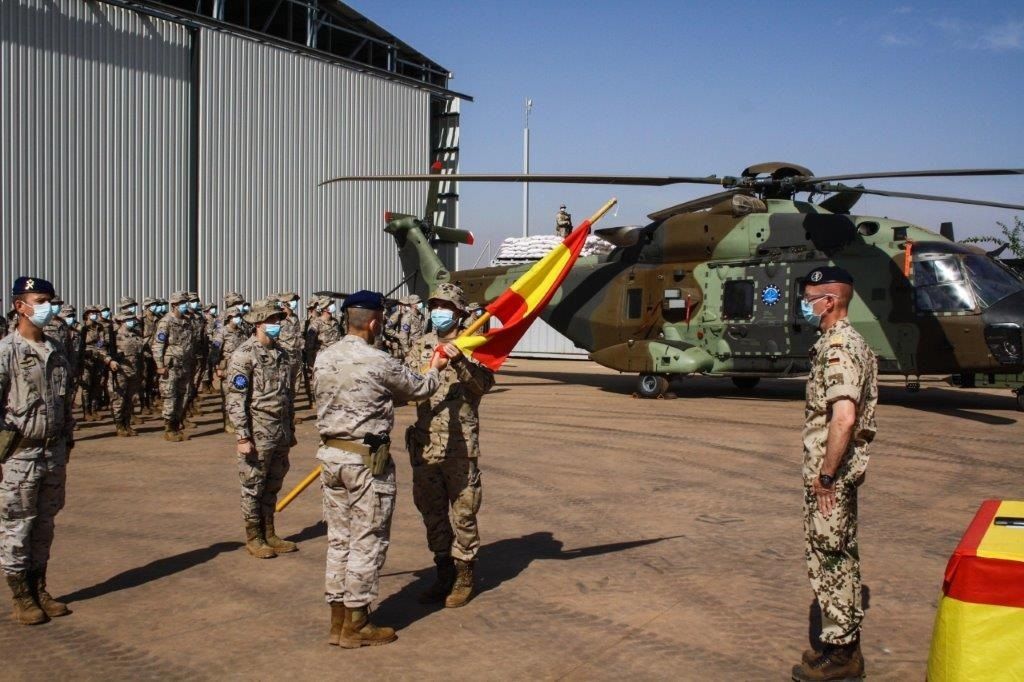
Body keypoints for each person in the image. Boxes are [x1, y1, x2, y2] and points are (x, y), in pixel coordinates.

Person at [313, 289, 453, 648]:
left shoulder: (324, 357)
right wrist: (435, 367)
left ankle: (337, 619)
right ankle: (357, 622)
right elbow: (419, 388)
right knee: (367, 540)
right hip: (365, 464)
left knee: (339, 540)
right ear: (374, 323)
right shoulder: (378, 361)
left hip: (331, 458)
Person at [791, 266, 877, 682]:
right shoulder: (846, 342)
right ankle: (839, 646)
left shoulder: (839, 347)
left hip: (831, 480)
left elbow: (843, 418)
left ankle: (842, 656)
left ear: (830, 301)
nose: (806, 307)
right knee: (839, 555)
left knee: (829, 559)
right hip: (837, 476)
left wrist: (825, 477)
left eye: (810, 300)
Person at [404, 283, 494, 608]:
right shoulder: (420, 346)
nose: (438, 311)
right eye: (435, 306)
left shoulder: (475, 346)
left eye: (445, 306)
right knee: (432, 513)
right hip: (426, 446)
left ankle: (465, 575)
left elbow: (483, 386)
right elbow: (408, 387)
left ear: (458, 313)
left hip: (459, 446)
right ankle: (443, 571)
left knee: (464, 513)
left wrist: (461, 365)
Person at [0, 276, 74, 625]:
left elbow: (65, 403)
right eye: (41, 301)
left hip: (52, 452)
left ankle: (39, 586)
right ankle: (21, 596)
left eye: (51, 301)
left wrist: (67, 443)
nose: (49, 308)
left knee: (45, 525)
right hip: (20, 455)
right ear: (21, 306)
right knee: (18, 527)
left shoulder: (56, 350)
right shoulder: (6, 351)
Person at [224, 299, 296, 559]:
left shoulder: (282, 354)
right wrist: (242, 435)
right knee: (253, 485)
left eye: (278, 320)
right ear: (257, 323)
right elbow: (235, 399)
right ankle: (254, 537)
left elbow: (287, 395)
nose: (277, 324)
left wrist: (291, 430)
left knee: (273, 484)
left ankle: (269, 532)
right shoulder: (244, 355)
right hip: (258, 430)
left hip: (280, 430)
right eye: (272, 320)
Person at [152, 291, 195, 441]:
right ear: (175, 305)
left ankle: (176, 426)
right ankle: (169, 429)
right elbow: (158, 344)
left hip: (185, 365)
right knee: (170, 396)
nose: (186, 305)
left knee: (183, 396)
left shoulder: (188, 321)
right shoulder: (166, 321)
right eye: (183, 303)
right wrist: (159, 364)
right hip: (171, 366)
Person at [107, 312, 147, 437]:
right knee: (119, 399)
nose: (131, 321)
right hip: (120, 372)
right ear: (121, 321)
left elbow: (141, 353)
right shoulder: (113, 336)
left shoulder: (136, 335)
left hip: (135, 372)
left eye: (132, 319)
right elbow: (103, 350)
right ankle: (119, 425)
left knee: (131, 400)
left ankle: (127, 424)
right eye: (128, 320)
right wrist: (110, 361)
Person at [214, 305, 248, 433]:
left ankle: (237, 421)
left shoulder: (241, 332)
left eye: (239, 316)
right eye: (235, 316)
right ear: (229, 318)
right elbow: (215, 352)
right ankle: (228, 422)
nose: (238, 319)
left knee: (240, 396)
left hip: (240, 369)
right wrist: (217, 368)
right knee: (228, 397)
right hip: (227, 368)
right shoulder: (222, 332)